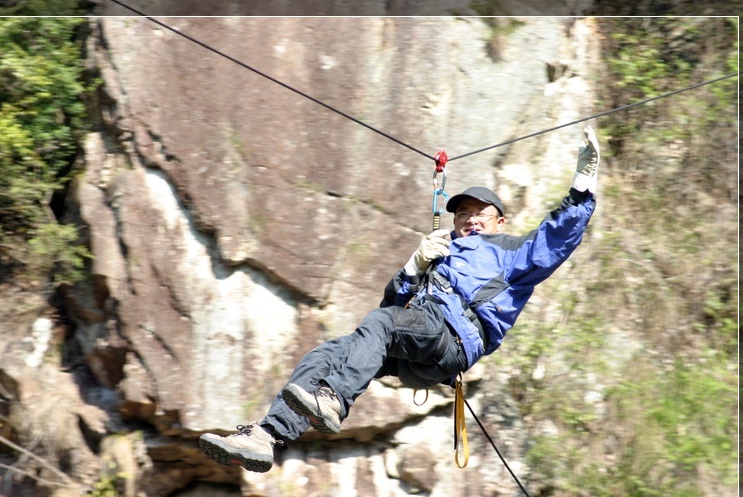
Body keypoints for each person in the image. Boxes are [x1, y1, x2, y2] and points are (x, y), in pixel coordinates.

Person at [199, 126, 600, 473]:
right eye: (463, 215)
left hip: (452, 339)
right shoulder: (441, 251)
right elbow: (394, 300)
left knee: (385, 324)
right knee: (328, 354)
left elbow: (556, 238)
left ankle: (333, 398)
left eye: (480, 213)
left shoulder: (513, 253)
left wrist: (583, 183)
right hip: (421, 345)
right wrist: (414, 265)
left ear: (500, 221)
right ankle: (267, 436)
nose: (470, 220)